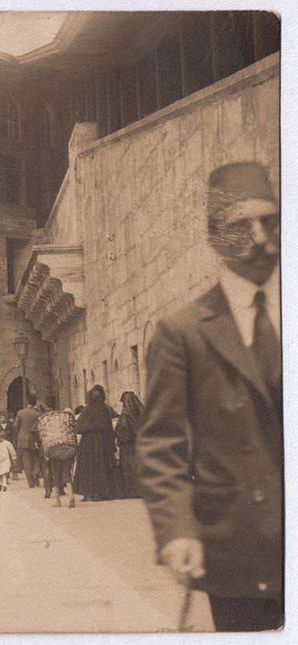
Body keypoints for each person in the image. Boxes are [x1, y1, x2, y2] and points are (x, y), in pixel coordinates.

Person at [138, 162, 281, 631]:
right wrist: (178, 529)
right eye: (243, 225)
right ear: (216, 236)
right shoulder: (183, 333)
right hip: (238, 552)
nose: (262, 238)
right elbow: (162, 444)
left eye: (271, 220)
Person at [73, 385, 120, 502]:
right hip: (103, 443)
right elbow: (109, 428)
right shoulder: (105, 409)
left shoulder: (87, 409)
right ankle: (104, 492)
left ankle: (90, 493)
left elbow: (78, 427)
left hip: (88, 444)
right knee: (103, 467)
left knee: (88, 468)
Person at [115, 392, 144, 499]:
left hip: (127, 446)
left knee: (128, 468)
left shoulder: (126, 416)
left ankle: (131, 490)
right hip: (139, 445)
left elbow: (123, 431)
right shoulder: (141, 413)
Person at [15, 397, 41, 488]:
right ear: (35, 403)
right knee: (36, 458)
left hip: (23, 439)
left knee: (26, 460)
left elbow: (16, 425)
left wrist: (21, 434)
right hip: (34, 439)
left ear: (27, 402)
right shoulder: (37, 413)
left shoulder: (20, 412)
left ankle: (30, 482)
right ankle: (35, 472)